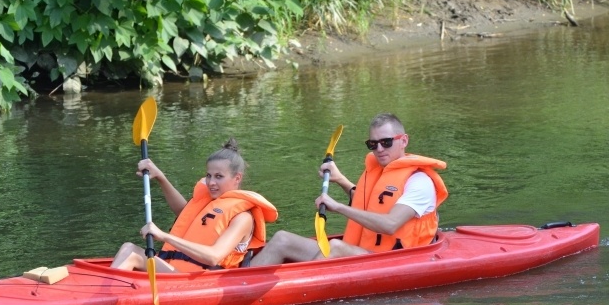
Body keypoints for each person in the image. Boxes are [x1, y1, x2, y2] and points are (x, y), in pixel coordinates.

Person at [250, 113, 448, 265]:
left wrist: (338, 207)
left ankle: (286, 292)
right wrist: (340, 179)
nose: (379, 149)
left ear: (403, 140)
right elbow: (367, 202)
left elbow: (390, 224)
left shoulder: (419, 181)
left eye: (386, 142)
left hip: (395, 260)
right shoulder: (377, 172)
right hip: (363, 252)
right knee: (282, 238)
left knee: (335, 247)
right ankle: (241, 285)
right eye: (373, 144)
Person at [111, 138, 278, 272]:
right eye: (208, 175)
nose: (211, 182)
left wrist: (164, 236)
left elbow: (214, 257)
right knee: (130, 250)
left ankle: (99, 301)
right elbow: (184, 214)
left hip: (201, 279)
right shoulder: (210, 202)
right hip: (177, 270)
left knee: (131, 252)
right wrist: (161, 177)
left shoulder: (243, 218)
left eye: (219, 176)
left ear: (237, 178)